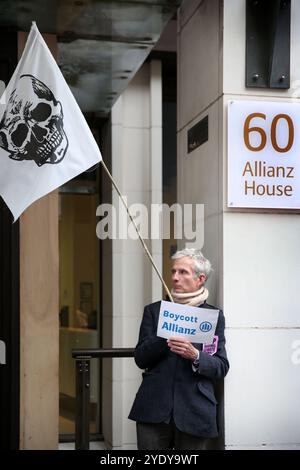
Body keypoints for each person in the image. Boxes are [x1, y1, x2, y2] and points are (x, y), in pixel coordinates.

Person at [128, 248, 229, 450]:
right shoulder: (154, 311)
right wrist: (165, 332)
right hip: (153, 408)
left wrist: (196, 355)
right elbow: (140, 358)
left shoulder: (213, 316)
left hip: (196, 411)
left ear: (200, 278)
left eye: (183, 272)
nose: (175, 277)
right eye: (173, 271)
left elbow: (221, 366)